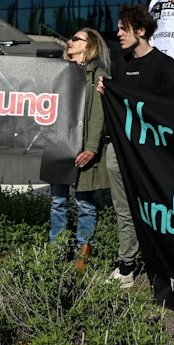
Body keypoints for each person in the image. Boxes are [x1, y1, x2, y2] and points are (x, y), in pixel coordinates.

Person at [97, 4, 174, 288]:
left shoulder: (163, 65)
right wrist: (105, 92)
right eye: (119, 27)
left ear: (141, 31)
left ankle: (168, 264)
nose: (118, 33)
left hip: (150, 152)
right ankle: (126, 266)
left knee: (158, 207)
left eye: (124, 28)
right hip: (119, 149)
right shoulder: (119, 63)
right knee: (123, 209)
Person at [50, 28, 110, 272]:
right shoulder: (59, 70)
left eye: (76, 39)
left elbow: (98, 113)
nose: (69, 41)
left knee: (85, 202)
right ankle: (56, 251)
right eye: (70, 37)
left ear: (90, 45)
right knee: (57, 201)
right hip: (58, 144)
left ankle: (83, 254)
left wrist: (92, 148)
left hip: (83, 145)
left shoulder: (98, 72)